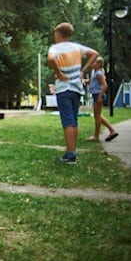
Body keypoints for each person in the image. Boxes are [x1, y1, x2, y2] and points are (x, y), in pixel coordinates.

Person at [47, 22, 99, 165]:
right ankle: (72, 152)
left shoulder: (55, 48)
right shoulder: (77, 47)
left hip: (64, 88)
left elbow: (51, 59)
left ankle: (70, 156)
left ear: (58, 35)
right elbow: (94, 54)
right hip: (77, 88)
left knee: (67, 121)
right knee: (74, 121)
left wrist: (59, 72)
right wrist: (83, 70)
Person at [86, 56, 119, 142]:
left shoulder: (99, 73)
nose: (91, 64)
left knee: (98, 117)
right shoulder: (94, 72)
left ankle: (105, 133)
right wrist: (83, 81)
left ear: (99, 64)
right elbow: (90, 81)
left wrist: (100, 97)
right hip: (95, 95)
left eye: (93, 62)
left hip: (98, 95)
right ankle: (110, 131)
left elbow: (105, 85)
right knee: (98, 116)